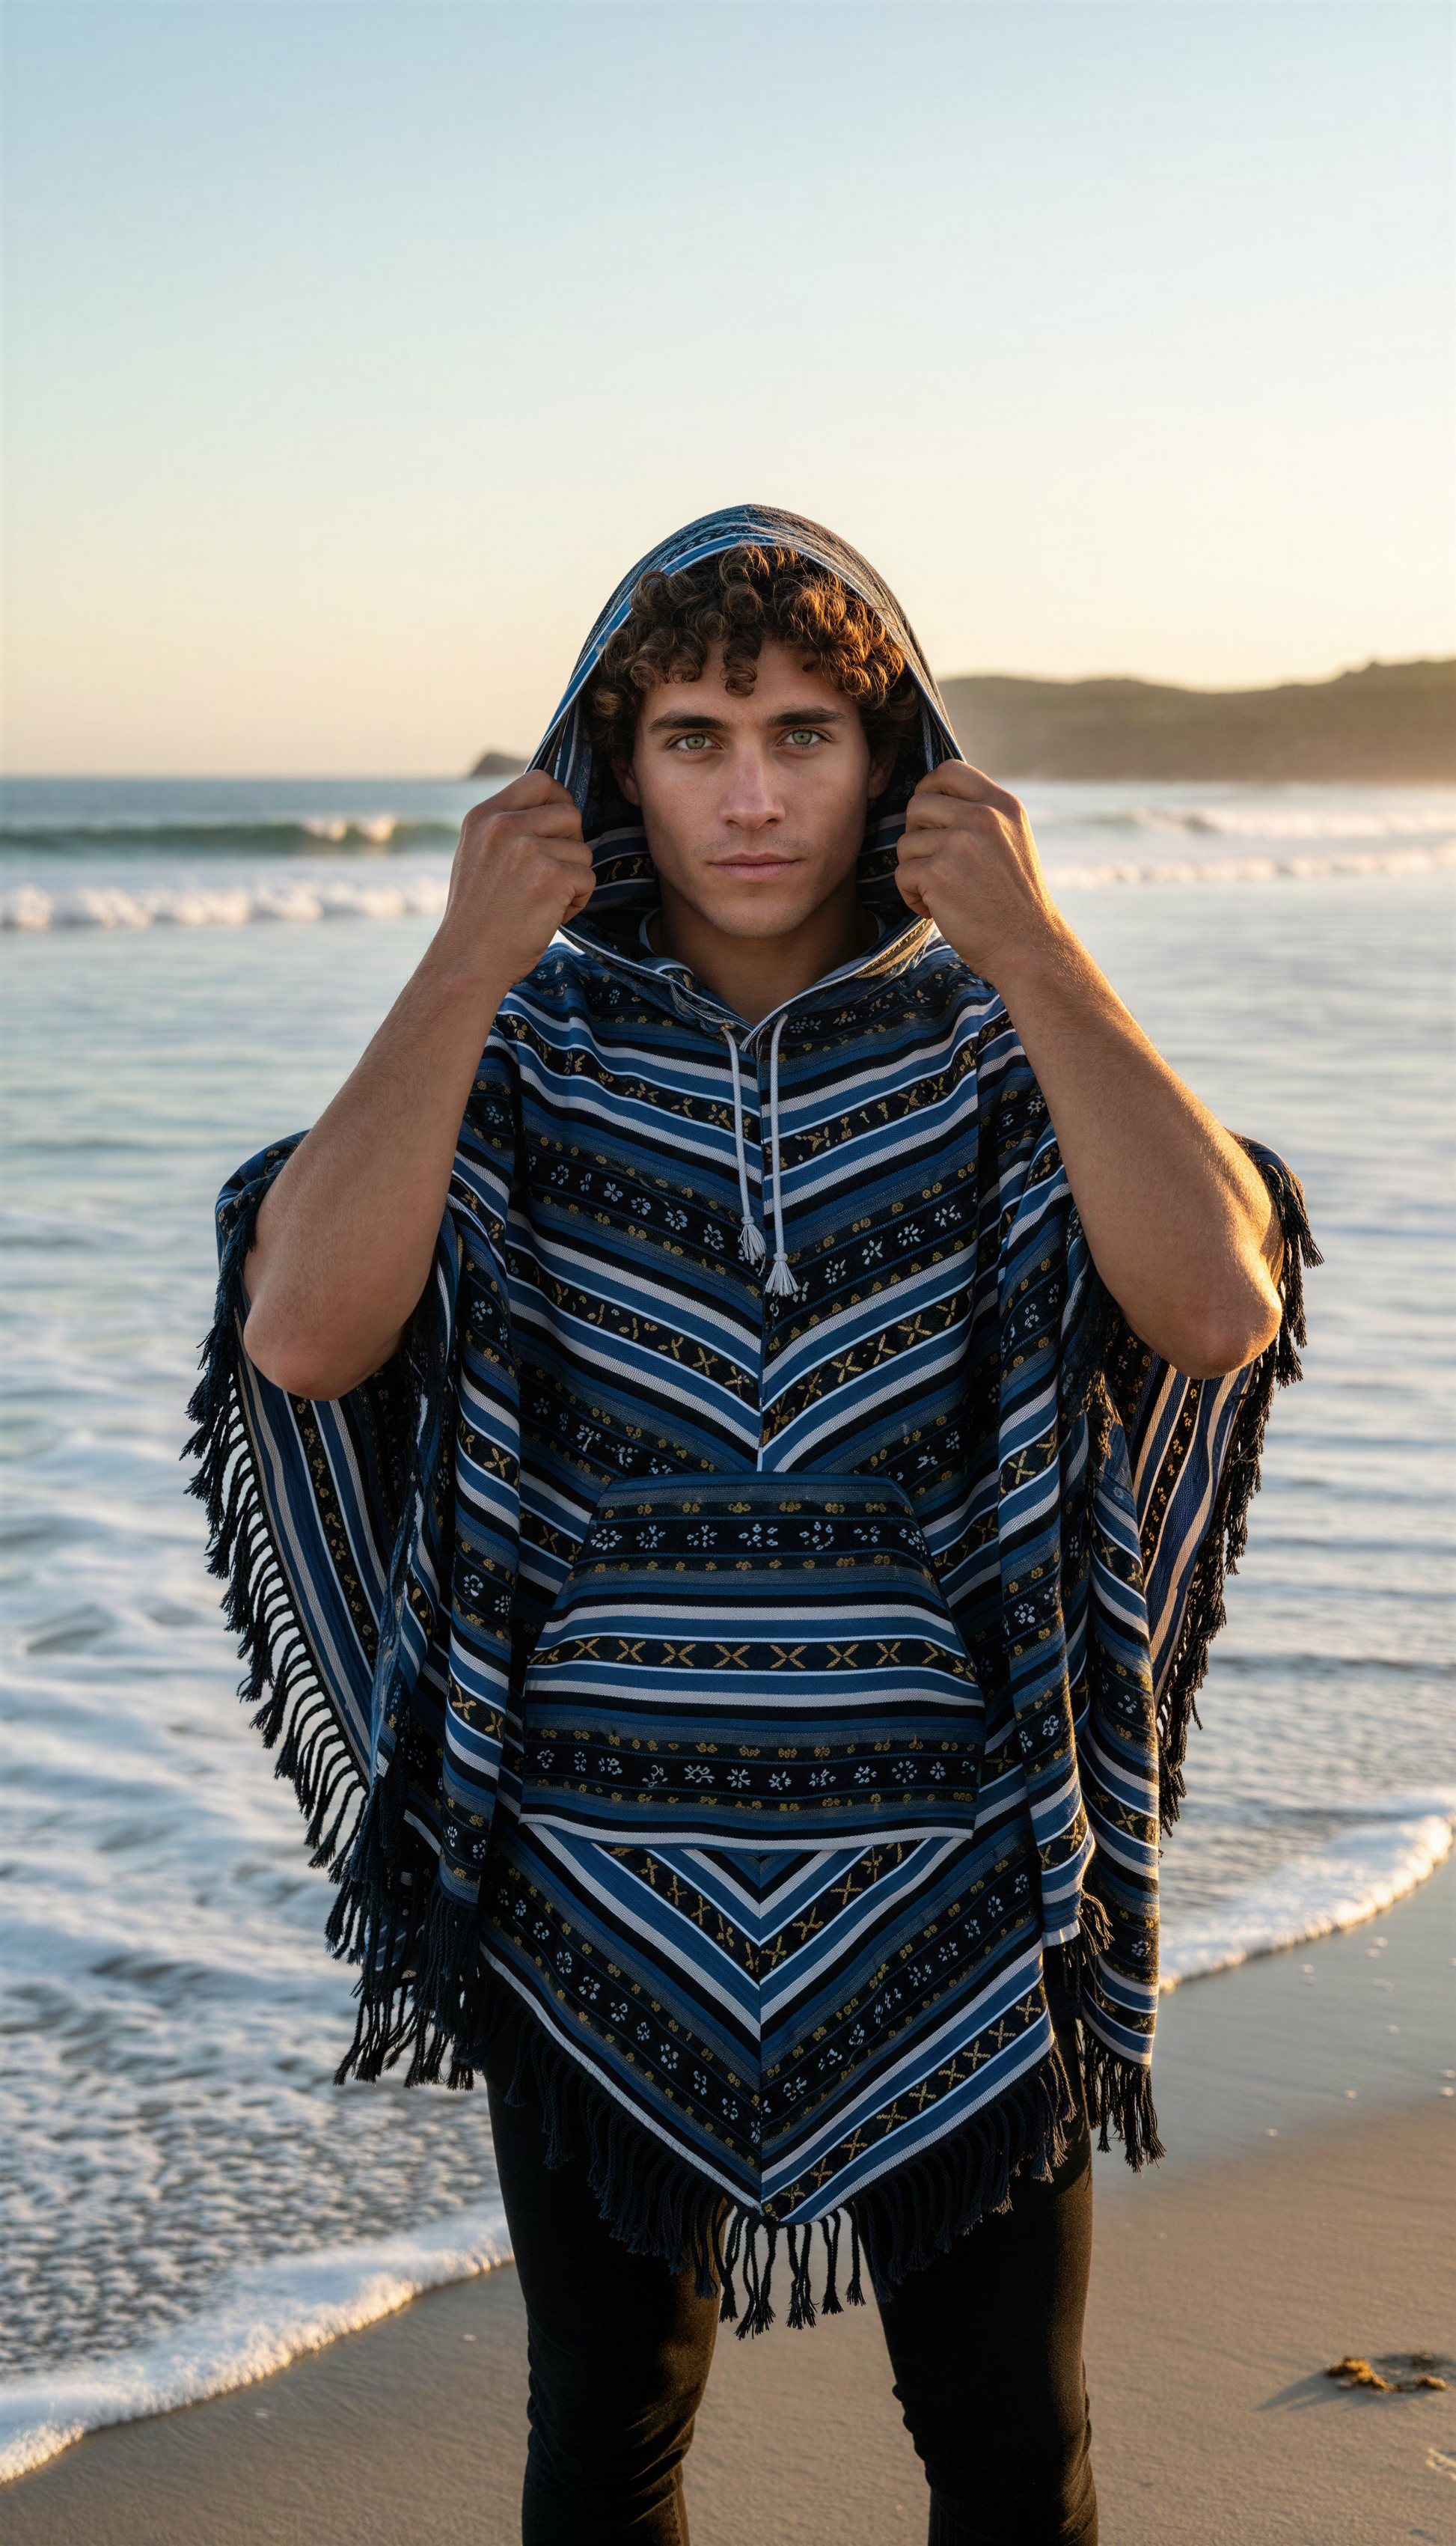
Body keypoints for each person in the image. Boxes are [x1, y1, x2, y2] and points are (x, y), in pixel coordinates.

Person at [189, 505, 1316, 2546]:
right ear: (612, 769)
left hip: (957, 1881)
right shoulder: (508, 1061)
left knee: (1014, 2451)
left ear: (891, 761)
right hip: (590, 1885)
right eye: (693, 739)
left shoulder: (1006, 1053)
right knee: (608, 2439)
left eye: (805, 732)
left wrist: (1037, 951)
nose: (755, 795)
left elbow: (1221, 1304)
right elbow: (302, 1333)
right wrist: (463, 957)